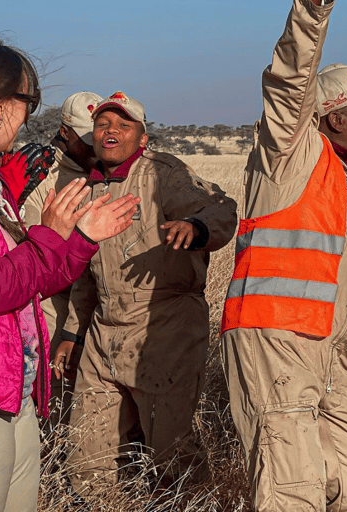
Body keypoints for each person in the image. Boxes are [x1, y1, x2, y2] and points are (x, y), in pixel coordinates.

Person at [220, 1, 347, 510]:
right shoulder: (292, 156)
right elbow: (289, 81)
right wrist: (313, 12)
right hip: (278, 343)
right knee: (293, 489)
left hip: (333, 353)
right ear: (333, 119)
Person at [0, 39, 138, 512]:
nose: (26, 116)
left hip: (8, 389)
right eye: (27, 103)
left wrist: (79, 238)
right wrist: (46, 238)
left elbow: (28, 279)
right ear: (0, 108)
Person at [62, 91, 238, 494]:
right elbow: (85, 275)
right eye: (104, 124)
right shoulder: (85, 188)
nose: (111, 131)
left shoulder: (164, 173)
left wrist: (196, 228)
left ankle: (190, 502)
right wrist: (73, 333)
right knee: (87, 448)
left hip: (164, 326)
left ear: (142, 139)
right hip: (104, 329)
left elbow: (222, 209)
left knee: (170, 449)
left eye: (124, 126)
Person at [24, 90, 103, 426]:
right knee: (56, 394)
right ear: (66, 132)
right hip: (55, 303)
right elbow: (35, 255)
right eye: (87, 139)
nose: (96, 145)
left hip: (98, 302)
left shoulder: (107, 170)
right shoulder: (40, 176)